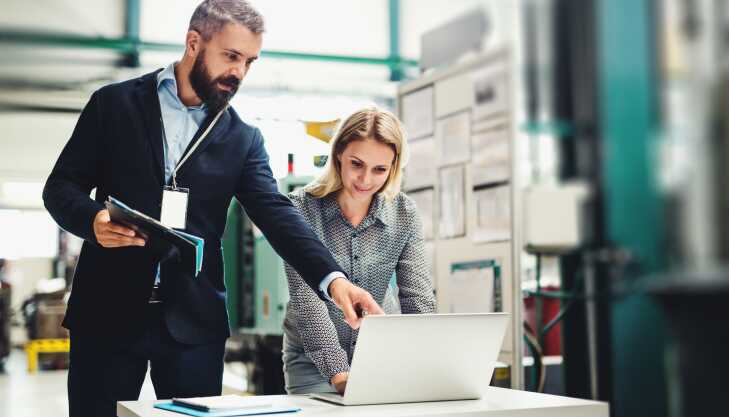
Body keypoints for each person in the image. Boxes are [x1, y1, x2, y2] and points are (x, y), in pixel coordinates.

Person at [41, 1, 381, 415]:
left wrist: (333, 280)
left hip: (193, 321)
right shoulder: (114, 106)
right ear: (193, 43)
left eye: (249, 62)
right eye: (231, 56)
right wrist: (92, 220)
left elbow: (277, 214)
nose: (239, 72)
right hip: (107, 311)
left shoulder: (242, 138)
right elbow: (60, 187)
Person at [281, 107, 437, 394]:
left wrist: (426, 365)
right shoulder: (300, 209)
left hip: (382, 356)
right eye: (357, 164)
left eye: (379, 169)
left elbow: (418, 298)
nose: (365, 179)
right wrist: (340, 377)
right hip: (313, 361)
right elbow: (308, 303)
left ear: (394, 167)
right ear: (338, 153)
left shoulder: (404, 213)